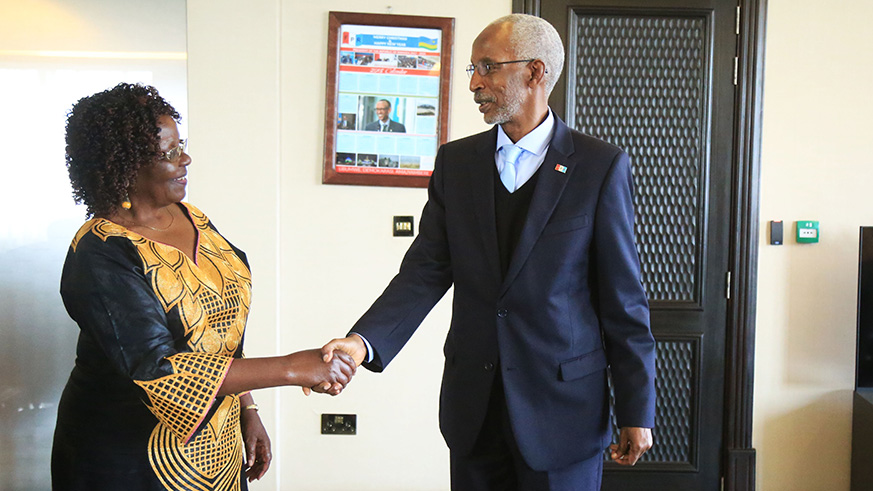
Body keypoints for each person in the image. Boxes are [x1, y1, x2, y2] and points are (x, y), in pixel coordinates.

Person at [321, 14, 656, 490]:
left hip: (564, 413)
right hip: (474, 409)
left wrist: (636, 407)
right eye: (473, 70)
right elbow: (425, 271)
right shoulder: (456, 164)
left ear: (535, 72)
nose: (475, 82)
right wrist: (361, 343)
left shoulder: (600, 167)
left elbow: (623, 298)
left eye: (488, 67)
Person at [52, 83, 356, 491]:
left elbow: (219, 326)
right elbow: (158, 369)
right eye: (169, 153)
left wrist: (248, 407)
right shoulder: (100, 252)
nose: (186, 158)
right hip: (126, 455)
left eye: (182, 145)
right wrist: (291, 367)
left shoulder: (191, 216)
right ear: (124, 165)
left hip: (217, 447)